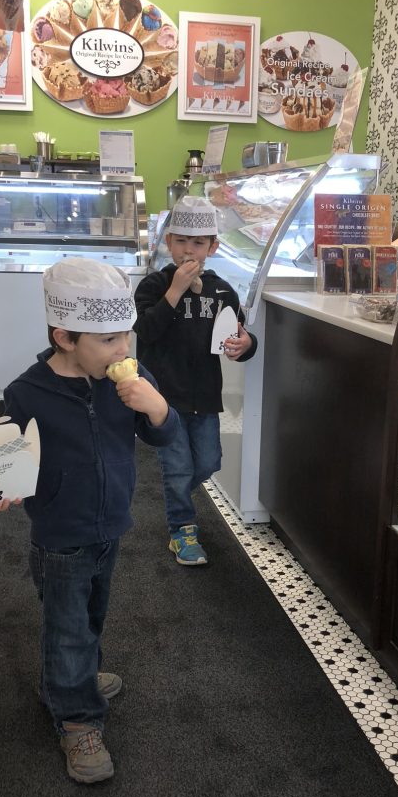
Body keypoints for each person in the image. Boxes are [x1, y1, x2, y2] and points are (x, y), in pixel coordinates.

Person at [0, 258, 179, 784]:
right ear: (65, 336)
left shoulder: (132, 378)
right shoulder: (28, 392)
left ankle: (66, 678)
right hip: (59, 532)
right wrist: (1, 486)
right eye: (109, 341)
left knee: (91, 616)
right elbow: (11, 459)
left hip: (111, 523)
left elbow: (161, 440)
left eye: (127, 336)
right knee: (69, 626)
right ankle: (76, 719)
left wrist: (158, 408)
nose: (123, 350)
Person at [134, 195, 257, 566]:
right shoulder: (153, 287)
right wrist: (175, 291)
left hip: (205, 395)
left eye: (199, 242)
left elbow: (239, 336)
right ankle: (182, 530)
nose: (190, 250)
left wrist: (246, 343)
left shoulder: (222, 291)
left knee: (207, 463)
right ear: (169, 242)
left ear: (213, 247)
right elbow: (146, 330)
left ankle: (176, 495)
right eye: (182, 241)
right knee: (179, 467)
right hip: (162, 398)